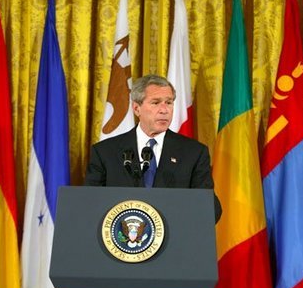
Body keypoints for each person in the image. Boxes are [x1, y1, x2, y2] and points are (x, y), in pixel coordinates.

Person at [84, 74, 221, 220]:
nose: (164, 110)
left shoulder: (194, 153)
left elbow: (210, 210)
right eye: (156, 103)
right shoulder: (105, 152)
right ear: (137, 109)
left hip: (174, 239)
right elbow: (89, 204)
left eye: (169, 103)